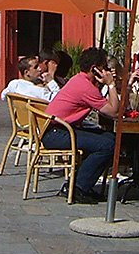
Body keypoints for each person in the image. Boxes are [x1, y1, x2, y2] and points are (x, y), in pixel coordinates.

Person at [43, 46, 121, 204]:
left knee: (109, 137)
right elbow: (113, 111)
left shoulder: (79, 80)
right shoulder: (84, 86)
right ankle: (78, 187)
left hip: (60, 129)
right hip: (56, 133)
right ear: (95, 69)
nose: (107, 71)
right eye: (104, 67)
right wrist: (111, 84)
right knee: (108, 145)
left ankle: (81, 183)